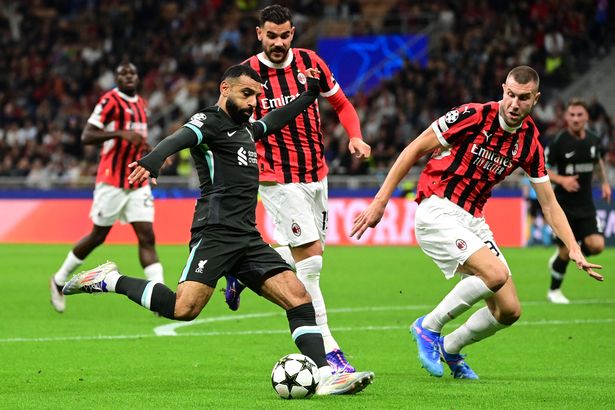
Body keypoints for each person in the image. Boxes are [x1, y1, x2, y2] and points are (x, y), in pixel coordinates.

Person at [61, 64, 374, 395]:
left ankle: (325, 374)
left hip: (247, 237)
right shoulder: (209, 122)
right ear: (225, 89)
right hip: (215, 232)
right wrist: (154, 159)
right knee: (184, 309)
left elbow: (275, 119)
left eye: (257, 96)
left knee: (298, 298)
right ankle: (110, 279)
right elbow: (180, 137)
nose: (253, 102)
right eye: (246, 94)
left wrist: (310, 95)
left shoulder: (246, 130)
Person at [351, 66, 603, 380]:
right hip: (438, 208)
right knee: (494, 274)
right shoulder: (472, 115)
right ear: (503, 89)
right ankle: (427, 327)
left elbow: (549, 204)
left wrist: (574, 248)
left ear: (535, 100)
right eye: (510, 94)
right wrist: (380, 201)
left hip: (474, 220)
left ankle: (451, 347)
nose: (514, 103)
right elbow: (415, 148)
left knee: (509, 310)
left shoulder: (529, 142)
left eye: (523, 98)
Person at [224, 4, 371, 374]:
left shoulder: (311, 62)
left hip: (316, 175)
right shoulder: (247, 75)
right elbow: (229, 127)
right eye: (270, 35)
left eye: (284, 35)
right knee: (312, 265)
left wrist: (355, 136)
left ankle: (244, 270)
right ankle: (330, 356)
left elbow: (341, 103)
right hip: (275, 178)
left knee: (312, 253)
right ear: (259, 33)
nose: (278, 42)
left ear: (293, 33)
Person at [49, 62, 164, 313]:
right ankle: (58, 281)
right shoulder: (110, 101)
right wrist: (119, 134)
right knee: (97, 236)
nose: (128, 76)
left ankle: (159, 295)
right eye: (123, 73)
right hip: (112, 180)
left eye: (132, 72)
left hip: (138, 180)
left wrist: (153, 156)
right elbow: (87, 136)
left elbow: (138, 141)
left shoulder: (142, 104)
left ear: (138, 76)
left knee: (147, 236)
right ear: (117, 78)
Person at [544, 98, 611, 304]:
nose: (575, 119)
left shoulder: (593, 139)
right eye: (571, 115)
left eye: (579, 115)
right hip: (562, 206)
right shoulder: (558, 142)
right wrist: (562, 179)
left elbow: (597, 161)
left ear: (586, 117)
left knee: (597, 245)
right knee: (565, 251)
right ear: (566, 117)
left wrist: (605, 183)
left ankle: (573, 249)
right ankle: (554, 291)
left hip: (586, 204)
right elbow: (542, 169)